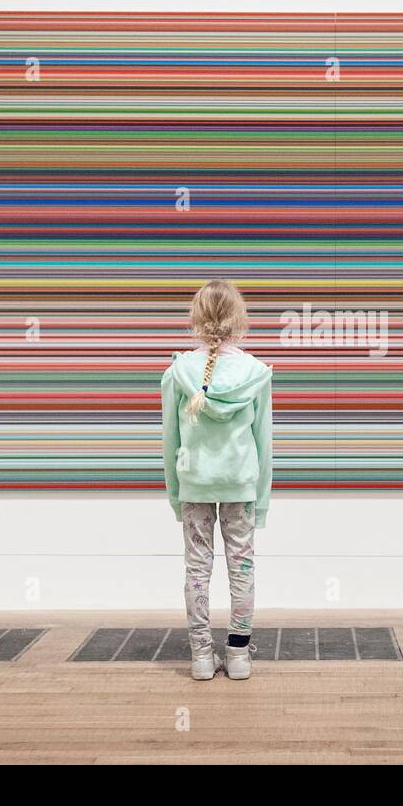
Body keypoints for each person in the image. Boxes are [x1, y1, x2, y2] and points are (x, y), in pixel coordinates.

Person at [161, 279, 273, 680]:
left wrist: (176, 497)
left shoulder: (178, 371)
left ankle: (201, 657)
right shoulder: (255, 372)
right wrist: (261, 502)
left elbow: (169, 441)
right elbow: (264, 443)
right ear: (238, 320)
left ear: (197, 320)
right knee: (241, 567)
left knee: (196, 568)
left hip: (195, 484)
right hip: (240, 483)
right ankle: (239, 656)